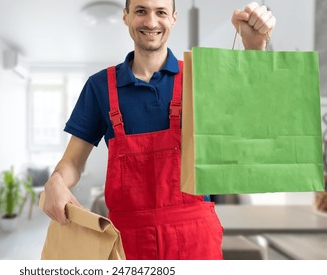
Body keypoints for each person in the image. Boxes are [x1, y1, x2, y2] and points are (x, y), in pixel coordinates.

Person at [42, 0, 276, 260]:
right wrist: (57, 181)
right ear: (126, 17)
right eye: (141, 11)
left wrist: (255, 49)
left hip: (195, 240)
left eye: (161, 12)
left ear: (173, 18)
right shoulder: (99, 86)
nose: (151, 22)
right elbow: (73, 162)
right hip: (126, 244)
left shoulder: (200, 77)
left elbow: (254, 126)